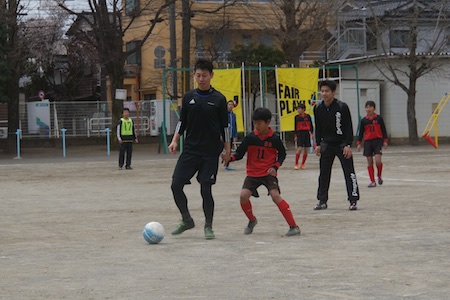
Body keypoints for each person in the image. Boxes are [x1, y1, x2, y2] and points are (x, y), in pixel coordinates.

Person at [168, 59, 231, 240]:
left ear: (211, 75)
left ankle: (208, 226)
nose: (201, 79)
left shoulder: (219, 99)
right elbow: (182, 121)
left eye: (204, 75)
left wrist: (227, 151)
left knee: (205, 189)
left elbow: (225, 127)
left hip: (210, 152)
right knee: (176, 185)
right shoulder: (188, 97)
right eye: (198, 75)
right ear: (194, 76)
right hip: (190, 150)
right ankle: (187, 220)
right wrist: (174, 141)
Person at [224, 107, 301, 237]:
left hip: (268, 173)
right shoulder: (250, 138)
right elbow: (239, 154)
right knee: (243, 196)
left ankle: (294, 226)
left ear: (268, 122)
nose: (257, 126)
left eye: (259, 123)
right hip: (253, 174)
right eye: (255, 123)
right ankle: (252, 220)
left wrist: (275, 167)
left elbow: (282, 154)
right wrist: (229, 158)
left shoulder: (274, 139)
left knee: (275, 195)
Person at [314, 80, 360, 211]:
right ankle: (322, 200)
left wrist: (348, 144)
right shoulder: (318, 108)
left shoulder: (341, 107)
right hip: (326, 144)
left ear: (333, 92)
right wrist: (318, 144)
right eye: (322, 91)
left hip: (341, 144)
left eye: (327, 91)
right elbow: (318, 128)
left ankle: (353, 199)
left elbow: (348, 127)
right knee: (324, 173)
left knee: (349, 172)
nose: (324, 94)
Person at [357, 101, 388, 187]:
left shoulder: (379, 118)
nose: (368, 109)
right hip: (368, 142)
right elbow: (361, 133)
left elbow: (383, 129)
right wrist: (359, 143)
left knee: (378, 161)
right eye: (367, 107)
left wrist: (385, 140)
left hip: (378, 141)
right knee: (370, 161)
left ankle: (379, 175)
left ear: (374, 108)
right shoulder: (364, 120)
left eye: (370, 107)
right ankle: (372, 181)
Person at [294, 103, 314, 170]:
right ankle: (296, 163)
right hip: (300, 133)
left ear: (303, 109)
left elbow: (311, 125)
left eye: (299, 108)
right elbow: (295, 127)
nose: (298, 110)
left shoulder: (308, 116)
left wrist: (312, 133)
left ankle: (303, 164)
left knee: (306, 149)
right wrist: (295, 135)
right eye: (298, 109)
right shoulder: (297, 117)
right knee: (299, 148)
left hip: (306, 133)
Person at [225, 100, 238, 171]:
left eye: (231, 105)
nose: (230, 106)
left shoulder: (233, 115)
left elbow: (235, 125)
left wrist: (235, 135)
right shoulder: (224, 114)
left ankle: (227, 164)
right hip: (224, 134)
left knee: (229, 150)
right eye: (229, 104)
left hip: (230, 135)